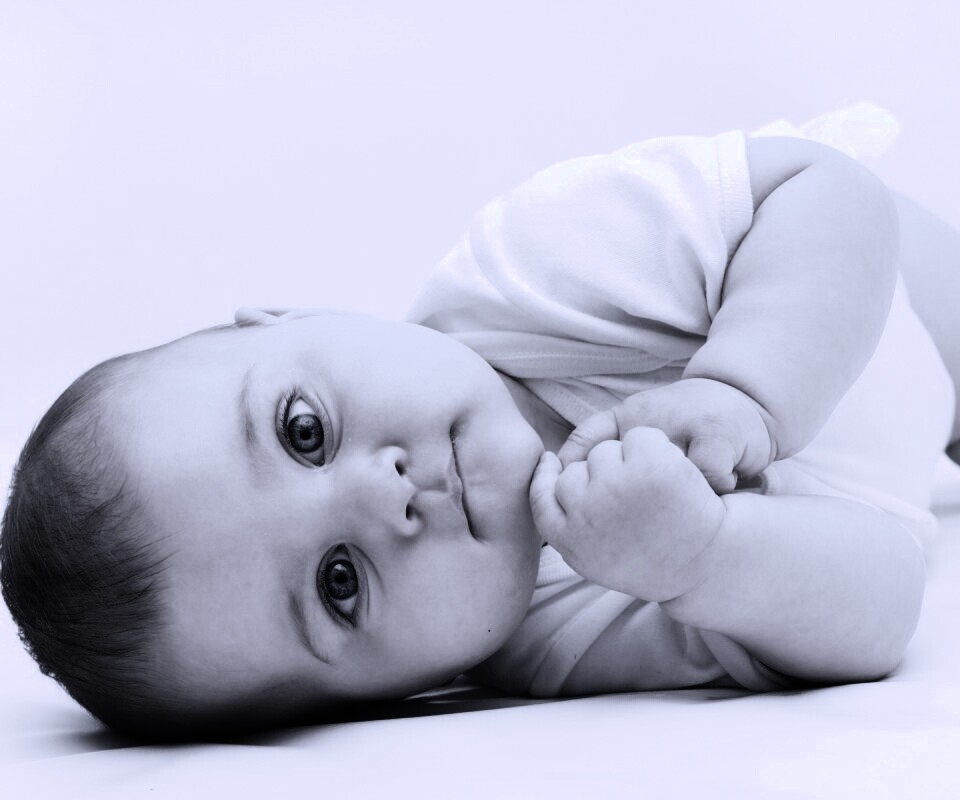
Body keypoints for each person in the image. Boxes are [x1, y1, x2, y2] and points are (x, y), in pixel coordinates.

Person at [2, 119, 958, 742]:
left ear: (293, 317)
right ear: (397, 697)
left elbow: (825, 192)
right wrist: (704, 558)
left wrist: (744, 390)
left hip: (905, 299)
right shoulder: (552, 638)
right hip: (914, 457)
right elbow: (886, 600)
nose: (385, 497)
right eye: (340, 585)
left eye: (303, 431)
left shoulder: (532, 271)